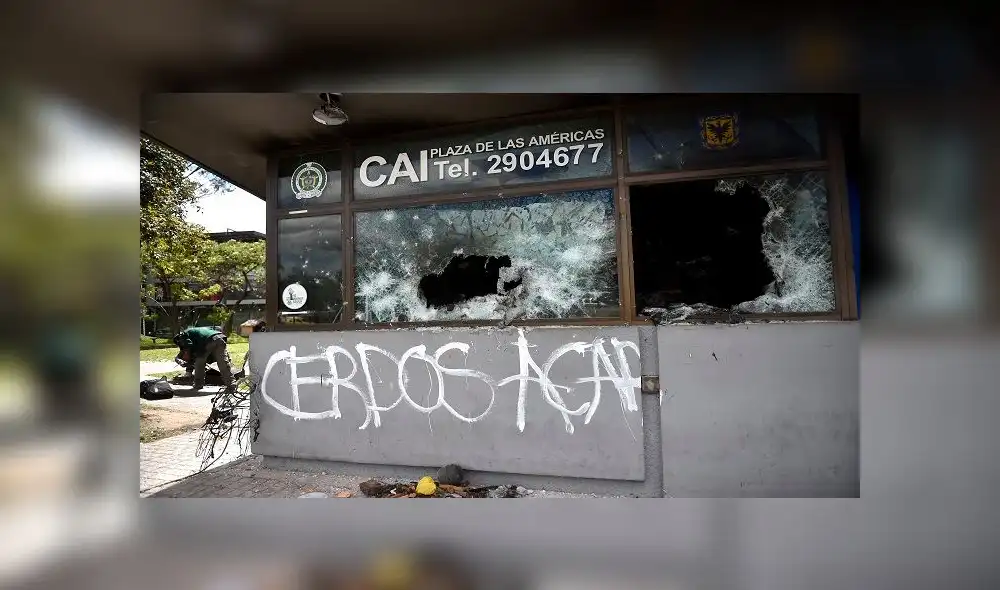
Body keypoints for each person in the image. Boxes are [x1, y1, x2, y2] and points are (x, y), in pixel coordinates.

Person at [173, 326, 233, 391]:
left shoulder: (183, 335)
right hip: (219, 338)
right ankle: (231, 385)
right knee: (223, 364)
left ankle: (198, 384)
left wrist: (187, 356)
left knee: (199, 364)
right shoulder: (193, 332)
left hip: (207, 341)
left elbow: (188, 345)